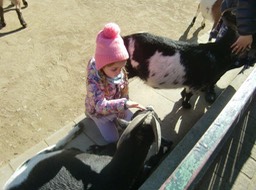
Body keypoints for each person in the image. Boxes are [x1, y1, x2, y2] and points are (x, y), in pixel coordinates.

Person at [85, 22, 145, 143]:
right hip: (100, 114)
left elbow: (123, 89)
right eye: (114, 69)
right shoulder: (94, 79)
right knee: (113, 139)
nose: (119, 72)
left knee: (134, 122)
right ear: (102, 65)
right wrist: (125, 104)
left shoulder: (115, 69)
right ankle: (90, 114)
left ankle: (116, 117)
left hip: (118, 106)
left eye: (122, 67)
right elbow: (100, 106)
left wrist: (123, 106)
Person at [205, 0, 256, 103]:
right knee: (222, 57)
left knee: (237, 61)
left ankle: (209, 79)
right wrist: (245, 32)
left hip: (249, 28)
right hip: (239, 23)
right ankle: (207, 83)